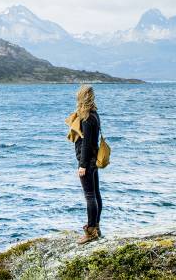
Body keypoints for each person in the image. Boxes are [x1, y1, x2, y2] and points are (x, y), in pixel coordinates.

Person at [66, 84, 102, 244]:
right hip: (94, 159)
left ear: (81, 97)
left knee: (90, 196)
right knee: (96, 194)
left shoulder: (87, 118)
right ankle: (96, 227)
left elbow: (86, 143)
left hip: (88, 161)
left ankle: (91, 232)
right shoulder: (94, 114)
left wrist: (82, 165)